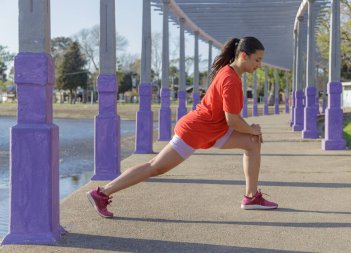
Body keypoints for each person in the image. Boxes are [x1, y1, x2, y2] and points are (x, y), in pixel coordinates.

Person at [87, 36, 278, 218]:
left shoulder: (230, 74)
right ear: (243, 55)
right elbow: (233, 121)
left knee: (253, 142)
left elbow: (231, 120)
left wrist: (251, 132)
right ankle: (102, 193)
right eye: (257, 60)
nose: (259, 65)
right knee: (155, 167)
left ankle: (251, 197)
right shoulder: (230, 79)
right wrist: (252, 128)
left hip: (213, 131)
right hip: (196, 131)